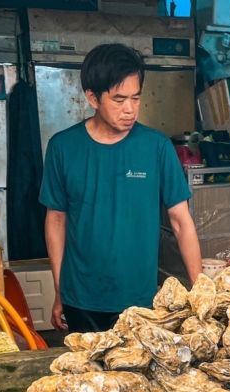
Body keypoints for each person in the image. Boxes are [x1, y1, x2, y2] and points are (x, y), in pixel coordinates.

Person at [40, 43, 203, 333]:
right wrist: (59, 289)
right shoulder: (63, 148)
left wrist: (202, 292)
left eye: (136, 98)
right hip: (81, 299)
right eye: (118, 100)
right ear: (92, 97)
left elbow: (181, 221)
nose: (130, 109)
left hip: (138, 301)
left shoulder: (157, 147)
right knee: (88, 378)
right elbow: (56, 220)